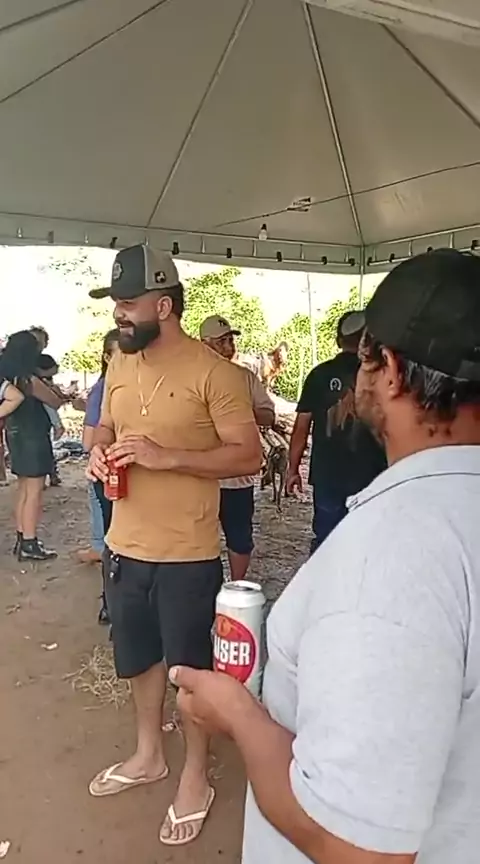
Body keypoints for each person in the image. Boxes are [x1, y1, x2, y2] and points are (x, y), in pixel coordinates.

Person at [170, 248, 480, 864]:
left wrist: (238, 716)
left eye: (364, 355)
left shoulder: (391, 557)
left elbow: (356, 846)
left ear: (390, 370)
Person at [86, 245, 261, 846]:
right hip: (123, 545)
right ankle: (148, 756)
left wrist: (169, 457)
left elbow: (248, 455)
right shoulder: (119, 362)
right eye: (115, 303)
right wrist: (97, 449)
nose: (119, 314)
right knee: (138, 659)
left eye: (128, 303)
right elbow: (104, 425)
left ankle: (195, 776)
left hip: (187, 553)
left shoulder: (217, 374)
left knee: (189, 670)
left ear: (164, 305)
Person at [287, 309, 386, 553]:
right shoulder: (382, 375)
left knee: (326, 542)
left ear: (338, 339)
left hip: (327, 475)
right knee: (368, 543)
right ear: (367, 338)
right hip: (372, 475)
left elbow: (301, 428)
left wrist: (293, 469)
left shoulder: (319, 374)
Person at [200, 315, 275, 580]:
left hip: (236, 477)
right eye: (222, 341)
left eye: (231, 340)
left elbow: (268, 416)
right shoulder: (189, 378)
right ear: (204, 344)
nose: (229, 346)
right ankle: (203, 588)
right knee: (197, 538)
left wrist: (239, 412)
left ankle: (237, 585)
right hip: (200, 475)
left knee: (240, 537)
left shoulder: (245, 378)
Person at [2, 331, 65, 560]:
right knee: (34, 492)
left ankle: (22, 538)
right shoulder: (29, 380)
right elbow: (55, 401)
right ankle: (30, 541)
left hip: (15, 435)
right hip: (34, 437)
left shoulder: (8, 377)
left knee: (23, 489)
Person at [79, 328, 119, 625]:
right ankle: (110, 602)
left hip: (129, 475)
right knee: (113, 541)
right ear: (107, 357)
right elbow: (87, 442)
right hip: (112, 475)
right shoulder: (103, 389)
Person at [36, 353, 65, 487]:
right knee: (44, 450)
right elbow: (52, 402)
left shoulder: (44, 380)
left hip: (43, 423)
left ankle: (52, 474)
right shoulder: (37, 382)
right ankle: (49, 475)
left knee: (46, 449)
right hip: (41, 419)